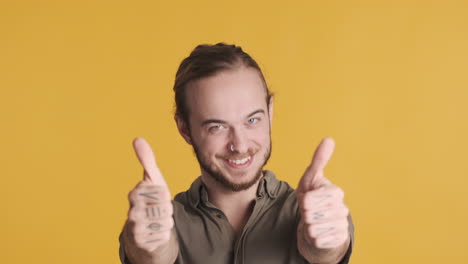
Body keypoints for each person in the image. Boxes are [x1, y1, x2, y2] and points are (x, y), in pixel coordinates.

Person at [119, 43, 354, 264]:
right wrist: (152, 250)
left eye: (252, 120)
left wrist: (323, 246)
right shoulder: (159, 220)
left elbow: (327, 252)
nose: (240, 145)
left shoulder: (314, 211)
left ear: (270, 112)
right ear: (184, 129)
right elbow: (151, 254)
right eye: (217, 127)